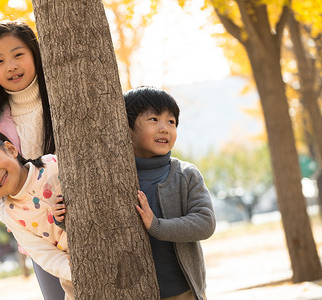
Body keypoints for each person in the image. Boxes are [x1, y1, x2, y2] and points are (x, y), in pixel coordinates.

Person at [53, 86, 216, 300]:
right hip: (133, 292)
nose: (165, 128)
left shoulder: (185, 174)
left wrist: (157, 226)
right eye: (154, 120)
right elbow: (98, 225)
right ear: (127, 129)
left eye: (171, 122)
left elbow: (205, 222)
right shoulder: (113, 178)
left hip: (182, 291)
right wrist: (64, 218)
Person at [0, 19, 63, 299]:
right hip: (41, 235)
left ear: (35, 53)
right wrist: (39, 222)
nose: (11, 65)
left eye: (18, 54)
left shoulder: (64, 96)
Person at [0, 132, 74, 300]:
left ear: (10, 149)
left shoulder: (51, 164)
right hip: (73, 273)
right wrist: (75, 270)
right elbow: (43, 254)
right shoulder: (13, 216)